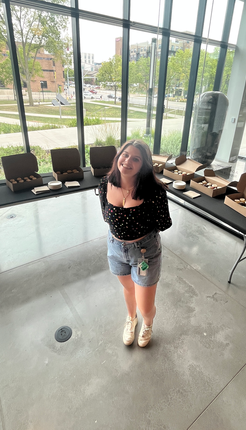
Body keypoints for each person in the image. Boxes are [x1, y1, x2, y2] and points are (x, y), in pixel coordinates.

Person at [97, 139, 172, 347]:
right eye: (125, 154)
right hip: (115, 247)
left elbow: (163, 223)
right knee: (129, 289)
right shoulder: (105, 183)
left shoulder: (155, 192)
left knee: (146, 305)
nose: (128, 161)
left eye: (136, 159)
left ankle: (147, 322)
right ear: (118, 156)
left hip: (144, 252)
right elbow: (106, 215)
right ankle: (131, 318)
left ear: (144, 165)